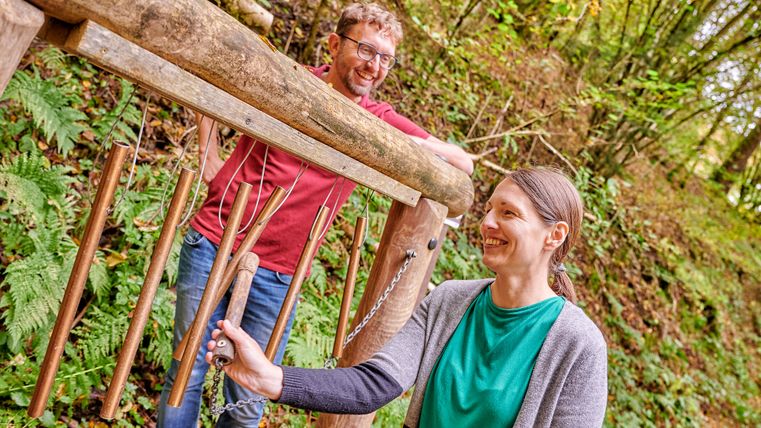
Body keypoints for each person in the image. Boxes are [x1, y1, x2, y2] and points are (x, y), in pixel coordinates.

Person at [157, 3, 473, 427]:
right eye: (365, 49)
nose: (374, 65)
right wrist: (208, 154)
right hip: (215, 238)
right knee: (187, 372)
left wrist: (402, 141)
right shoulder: (287, 80)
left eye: (385, 58)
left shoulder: (379, 118)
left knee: (249, 395)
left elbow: (462, 163)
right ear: (334, 44)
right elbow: (210, 76)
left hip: (282, 272)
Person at [205, 167, 608, 427]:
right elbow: (375, 384)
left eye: (508, 213)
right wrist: (270, 377)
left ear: (554, 236)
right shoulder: (451, 301)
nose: (486, 223)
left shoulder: (578, 344)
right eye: (488, 210)